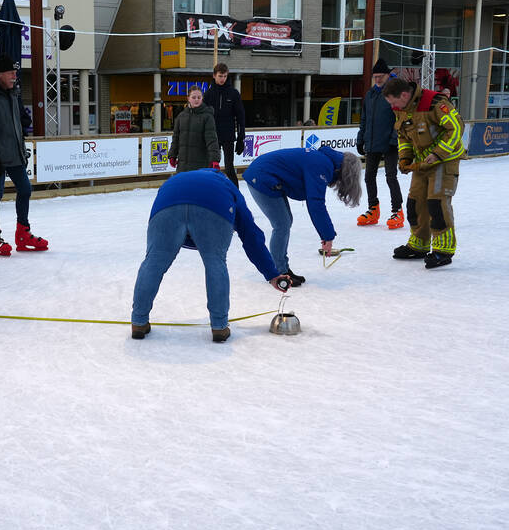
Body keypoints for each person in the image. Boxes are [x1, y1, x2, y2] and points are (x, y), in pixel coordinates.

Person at [131, 169, 289, 343]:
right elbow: (251, 235)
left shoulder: (176, 179)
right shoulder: (227, 185)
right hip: (214, 207)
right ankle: (219, 327)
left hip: (167, 205)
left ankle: (138, 322)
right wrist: (272, 274)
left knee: (154, 261)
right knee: (215, 262)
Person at [242, 146, 362, 287]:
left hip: (264, 174)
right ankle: (278, 273)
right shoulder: (322, 165)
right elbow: (316, 204)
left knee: (285, 222)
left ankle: (283, 269)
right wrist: (327, 236)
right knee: (281, 224)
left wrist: (326, 235)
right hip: (261, 177)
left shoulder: (324, 161)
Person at [382, 77, 465, 269]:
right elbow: (403, 136)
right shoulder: (402, 110)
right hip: (422, 164)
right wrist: (405, 158)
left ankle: (443, 250)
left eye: (394, 102)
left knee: (437, 203)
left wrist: (437, 154)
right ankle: (419, 245)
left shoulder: (435, 103)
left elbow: (456, 128)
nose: (393, 107)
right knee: (415, 203)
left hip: (444, 161)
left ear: (404, 95)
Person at [0, 53, 47, 256]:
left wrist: (22, 146)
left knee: (25, 190)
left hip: (15, 154)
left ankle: (23, 233)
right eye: (11, 72)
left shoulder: (13, 93)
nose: (15, 76)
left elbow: (17, 125)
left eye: (16, 72)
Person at [356, 58, 404, 229]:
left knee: (391, 176)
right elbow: (364, 119)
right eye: (375, 77)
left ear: (387, 75)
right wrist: (361, 138)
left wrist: (393, 139)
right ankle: (373, 209)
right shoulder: (370, 95)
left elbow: (399, 119)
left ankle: (397, 210)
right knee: (369, 176)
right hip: (372, 141)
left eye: (380, 76)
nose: (377, 79)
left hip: (390, 142)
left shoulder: (394, 92)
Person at [203, 63, 246, 186]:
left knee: (229, 168)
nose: (222, 79)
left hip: (228, 136)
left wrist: (241, 138)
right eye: (220, 76)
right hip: (212, 137)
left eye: (225, 76)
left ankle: (236, 196)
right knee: (211, 167)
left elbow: (241, 116)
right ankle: (210, 193)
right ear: (214, 76)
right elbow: (203, 118)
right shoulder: (208, 94)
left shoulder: (233, 93)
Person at [167, 85, 220, 173]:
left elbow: (212, 140)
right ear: (188, 98)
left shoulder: (207, 117)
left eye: (199, 97)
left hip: (201, 164)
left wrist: (214, 159)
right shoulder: (181, 116)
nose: (196, 100)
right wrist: (172, 155)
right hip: (183, 165)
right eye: (194, 97)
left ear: (202, 98)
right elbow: (176, 138)